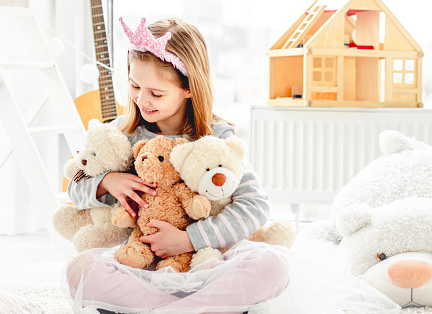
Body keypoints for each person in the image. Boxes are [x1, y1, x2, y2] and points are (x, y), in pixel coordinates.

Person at [62, 16, 289, 314]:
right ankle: (186, 310)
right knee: (81, 269)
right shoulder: (122, 134)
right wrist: (106, 182)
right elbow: (75, 184)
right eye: (134, 86)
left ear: (189, 89)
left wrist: (188, 240)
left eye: (156, 93)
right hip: (143, 266)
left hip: (208, 263)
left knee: (272, 265)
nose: (142, 100)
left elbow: (255, 206)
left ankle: (178, 309)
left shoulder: (215, 138)